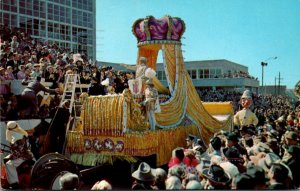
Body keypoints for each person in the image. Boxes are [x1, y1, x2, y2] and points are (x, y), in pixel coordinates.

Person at [4, 121, 35, 189]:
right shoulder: (22, 132)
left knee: (9, 164)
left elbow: (19, 152)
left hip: (22, 157)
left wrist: (12, 156)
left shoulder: (16, 137)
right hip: (29, 155)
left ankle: (14, 183)